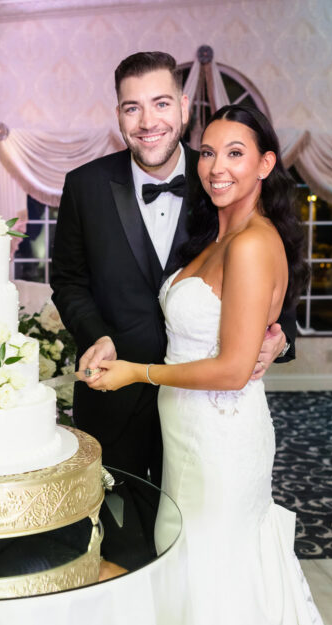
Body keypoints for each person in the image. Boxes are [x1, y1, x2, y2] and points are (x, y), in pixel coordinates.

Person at [88, 103, 332, 625]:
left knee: (214, 570)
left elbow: (231, 369)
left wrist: (139, 373)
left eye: (235, 153)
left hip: (222, 437)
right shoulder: (217, 232)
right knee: (194, 565)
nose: (216, 167)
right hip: (190, 435)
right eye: (208, 152)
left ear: (265, 164)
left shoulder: (253, 243)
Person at [51, 51, 294, 562]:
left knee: (202, 551)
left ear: (183, 107)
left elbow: (274, 265)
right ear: (117, 114)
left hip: (206, 413)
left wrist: (280, 333)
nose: (147, 122)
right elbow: (69, 280)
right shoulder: (85, 186)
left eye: (160, 103)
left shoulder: (219, 179)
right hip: (114, 405)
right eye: (131, 108)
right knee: (119, 553)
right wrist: (96, 333)